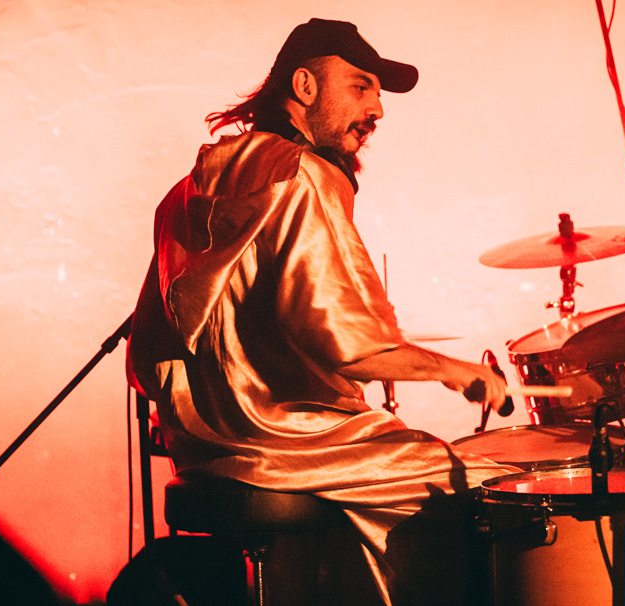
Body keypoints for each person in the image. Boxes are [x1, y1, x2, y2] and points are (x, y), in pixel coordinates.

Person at [127, 18, 516, 605]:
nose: (377, 110)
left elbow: (150, 355)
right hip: (284, 440)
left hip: (204, 446)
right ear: (304, 87)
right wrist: (459, 371)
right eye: (360, 87)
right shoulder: (303, 175)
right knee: (491, 487)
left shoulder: (189, 189)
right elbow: (350, 343)